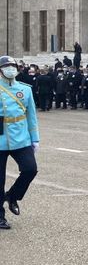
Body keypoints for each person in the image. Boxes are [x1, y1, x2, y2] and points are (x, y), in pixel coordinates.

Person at [0, 56, 39, 230]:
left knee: (30, 169)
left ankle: (12, 195)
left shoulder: (25, 89)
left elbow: (31, 115)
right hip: (0, 137)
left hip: (21, 137)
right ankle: (0, 216)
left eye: (12, 66)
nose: (10, 69)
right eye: (6, 66)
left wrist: (35, 138)